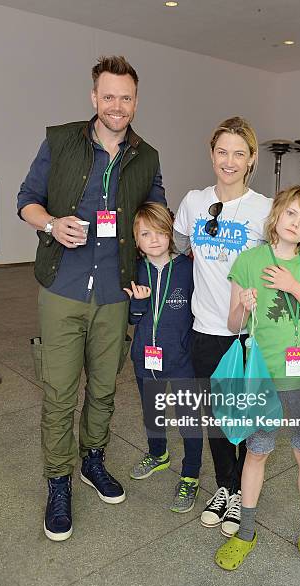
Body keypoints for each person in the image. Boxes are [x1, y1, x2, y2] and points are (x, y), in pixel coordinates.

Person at [17, 55, 166, 541]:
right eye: (109, 96)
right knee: (59, 394)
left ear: (136, 101)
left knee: (103, 389)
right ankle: (58, 481)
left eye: (126, 97)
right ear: (94, 98)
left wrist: (155, 260)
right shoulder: (61, 140)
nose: (117, 106)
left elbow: (156, 215)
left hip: (115, 290)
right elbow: (26, 199)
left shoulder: (147, 156)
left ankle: (92, 460)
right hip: (62, 287)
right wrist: (51, 224)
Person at [215, 185, 300, 580]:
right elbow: (233, 325)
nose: (297, 224)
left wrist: (295, 288)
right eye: (292, 214)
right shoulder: (249, 261)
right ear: (277, 213)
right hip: (263, 381)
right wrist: (242, 305)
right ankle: (246, 532)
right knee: (257, 453)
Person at [173, 117, 273, 536]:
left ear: (251, 159)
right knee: (215, 416)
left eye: (238, 153)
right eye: (221, 152)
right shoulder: (194, 202)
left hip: (248, 334)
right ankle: (225, 489)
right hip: (205, 328)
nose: (228, 161)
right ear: (211, 154)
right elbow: (180, 243)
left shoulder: (264, 209)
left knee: (243, 417)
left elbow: (280, 263)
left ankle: (241, 489)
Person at [126, 203, 202, 513]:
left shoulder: (187, 267)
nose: (154, 239)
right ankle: (158, 454)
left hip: (182, 359)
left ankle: (191, 475)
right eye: (146, 233)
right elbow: (132, 318)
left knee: (189, 420)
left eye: (160, 232)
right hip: (146, 357)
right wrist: (140, 305)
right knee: (152, 413)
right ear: (136, 239)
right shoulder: (135, 269)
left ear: (171, 233)